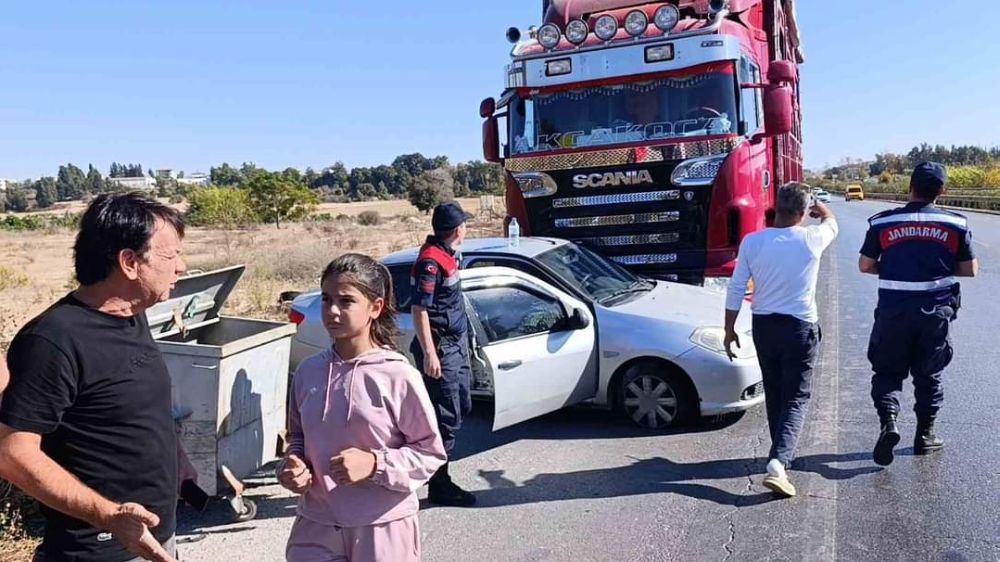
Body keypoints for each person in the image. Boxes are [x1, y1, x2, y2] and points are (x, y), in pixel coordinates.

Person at [0, 193, 185, 562]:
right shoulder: (53, 341)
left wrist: (178, 459)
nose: (181, 266)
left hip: (156, 538)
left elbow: (137, 407)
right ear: (130, 262)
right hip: (95, 552)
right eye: (170, 256)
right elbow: (12, 453)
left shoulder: (132, 314)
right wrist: (110, 517)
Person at [280, 253, 446, 562]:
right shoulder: (307, 372)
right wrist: (293, 465)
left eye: (346, 301)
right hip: (316, 525)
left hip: (382, 526)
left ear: (375, 307)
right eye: (326, 299)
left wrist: (375, 464)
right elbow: (298, 437)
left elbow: (430, 452)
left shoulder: (397, 374)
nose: (332, 311)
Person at [859, 162, 978, 466]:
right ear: (942, 191)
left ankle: (889, 423)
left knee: (887, 372)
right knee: (929, 373)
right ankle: (925, 435)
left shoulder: (882, 223)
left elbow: (866, 265)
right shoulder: (956, 224)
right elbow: (970, 270)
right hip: (935, 312)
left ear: (909, 187)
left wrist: (899, 268)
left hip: (893, 311)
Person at [724, 183, 838, 498]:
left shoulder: (752, 242)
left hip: (764, 327)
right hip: (799, 328)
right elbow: (832, 224)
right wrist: (822, 208)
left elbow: (736, 288)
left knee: (775, 393)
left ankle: (778, 455)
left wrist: (729, 328)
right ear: (804, 212)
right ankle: (779, 461)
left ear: (776, 207)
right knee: (797, 397)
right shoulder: (812, 239)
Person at [410, 201, 478, 507]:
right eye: (464, 224)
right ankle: (439, 484)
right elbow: (419, 309)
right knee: (445, 418)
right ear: (458, 229)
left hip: (455, 345)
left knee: (460, 406)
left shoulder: (449, 256)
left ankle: (435, 474)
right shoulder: (431, 262)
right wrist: (430, 354)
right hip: (441, 348)